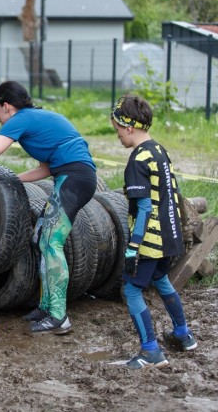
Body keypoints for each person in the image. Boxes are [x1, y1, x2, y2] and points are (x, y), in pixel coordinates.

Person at [0, 80, 97, 335]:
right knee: (40, 239)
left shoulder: (21, 119)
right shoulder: (38, 117)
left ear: (6, 106)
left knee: (51, 243)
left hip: (74, 180)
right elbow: (47, 167)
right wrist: (12, 181)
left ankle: (59, 316)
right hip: (73, 177)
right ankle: (46, 307)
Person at [110, 95, 197, 369]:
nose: (118, 137)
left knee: (131, 290)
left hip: (150, 240)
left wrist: (133, 248)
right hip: (170, 237)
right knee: (161, 281)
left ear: (129, 127)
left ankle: (150, 350)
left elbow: (145, 207)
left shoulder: (137, 159)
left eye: (117, 130)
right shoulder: (159, 150)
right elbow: (174, 195)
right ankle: (183, 334)